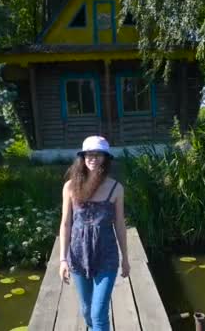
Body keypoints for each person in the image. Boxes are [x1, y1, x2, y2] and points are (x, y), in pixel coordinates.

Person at [58, 135, 130, 331]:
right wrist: (63, 259)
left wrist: (125, 258)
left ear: (106, 158)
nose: (93, 158)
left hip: (107, 256)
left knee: (99, 314)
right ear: (82, 157)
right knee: (87, 310)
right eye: (89, 154)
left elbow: (121, 226)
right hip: (78, 255)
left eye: (98, 154)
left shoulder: (116, 188)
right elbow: (65, 223)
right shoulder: (70, 187)